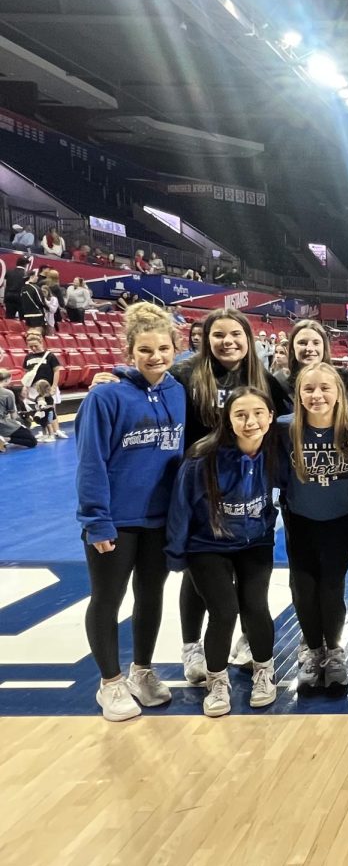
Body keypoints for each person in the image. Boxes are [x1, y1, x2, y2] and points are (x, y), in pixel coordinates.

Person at [167, 309, 291, 682]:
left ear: (248, 338)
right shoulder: (186, 374)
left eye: (235, 334)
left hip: (247, 487)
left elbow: (287, 419)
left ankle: (246, 640)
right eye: (218, 334)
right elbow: (153, 394)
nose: (228, 342)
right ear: (205, 339)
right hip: (201, 484)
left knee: (248, 589)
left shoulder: (262, 378)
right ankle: (192, 646)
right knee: (198, 573)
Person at [76, 304, 185, 721]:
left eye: (163, 347)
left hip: (160, 519)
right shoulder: (105, 396)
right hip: (116, 520)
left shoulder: (177, 392)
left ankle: (142, 671)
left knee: (151, 596)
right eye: (145, 349)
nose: (156, 356)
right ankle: (110, 683)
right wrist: (96, 518)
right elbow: (90, 462)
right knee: (107, 598)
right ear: (129, 351)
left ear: (175, 347)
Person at [166, 387, 285, 717]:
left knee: (255, 605)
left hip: (255, 542)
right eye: (241, 415)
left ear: (271, 417)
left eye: (258, 413)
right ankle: (217, 680)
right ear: (227, 419)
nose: (250, 422)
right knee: (224, 610)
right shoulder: (203, 456)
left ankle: (264, 670)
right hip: (208, 544)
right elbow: (181, 506)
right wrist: (176, 553)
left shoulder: (276, 448)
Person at [279, 364, 348, 690]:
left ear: (339, 393)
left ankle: (335, 652)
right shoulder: (283, 430)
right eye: (309, 388)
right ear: (298, 394)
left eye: (325, 388)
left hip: (342, 520)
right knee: (302, 589)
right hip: (300, 519)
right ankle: (313, 651)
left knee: (331, 587)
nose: (317, 395)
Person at [275, 319, 348, 398]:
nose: (309, 348)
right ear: (292, 348)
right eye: (302, 343)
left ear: (324, 347)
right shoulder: (279, 381)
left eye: (316, 343)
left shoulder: (345, 378)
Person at [20, 329, 64, 438]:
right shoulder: (28, 357)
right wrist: (25, 387)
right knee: (39, 410)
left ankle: (56, 430)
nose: (33, 348)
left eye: (36, 345)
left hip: (46, 387)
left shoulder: (50, 356)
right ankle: (46, 432)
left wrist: (54, 386)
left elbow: (56, 371)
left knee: (51, 409)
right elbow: (27, 374)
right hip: (34, 388)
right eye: (31, 346)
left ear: (41, 342)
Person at [0, 368, 38, 450]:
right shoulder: (8, 393)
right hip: (3, 425)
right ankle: (6, 439)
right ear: (7, 380)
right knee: (32, 441)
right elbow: (13, 415)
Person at [5, 254, 32, 318]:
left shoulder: (9, 272)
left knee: (9, 317)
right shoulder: (26, 274)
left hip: (9, 296)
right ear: (25, 265)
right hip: (20, 297)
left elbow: (5, 285)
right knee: (22, 318)